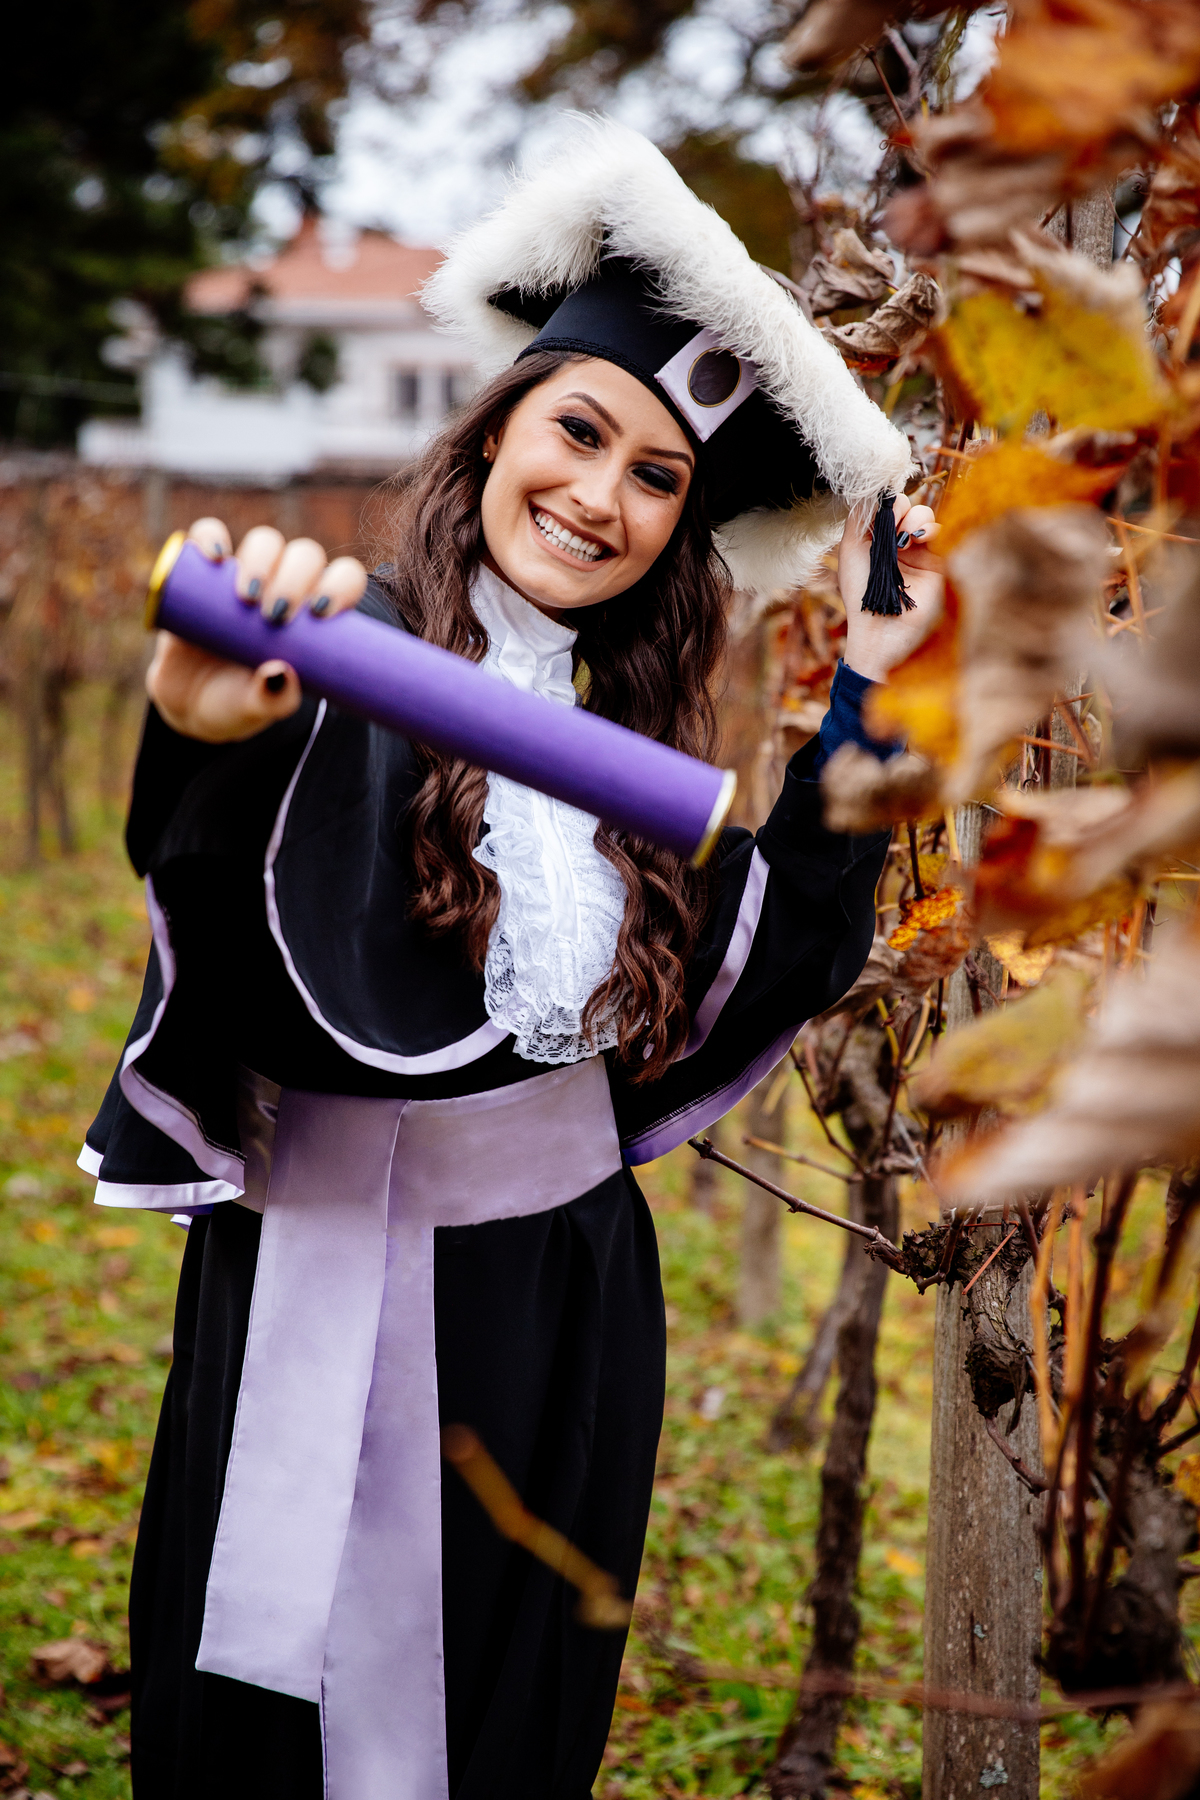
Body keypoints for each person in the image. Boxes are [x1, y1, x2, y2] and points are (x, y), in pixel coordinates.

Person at [81, 117, 942, 1800]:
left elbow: (786, 944)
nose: (601, 498)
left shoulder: (628, 742)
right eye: (579, 430)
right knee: (281, 1703)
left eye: (657, 478)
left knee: (510, 1702)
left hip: (563, 1299)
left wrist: (877, 693)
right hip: (327, 1275)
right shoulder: (355, 650)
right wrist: (201, 743)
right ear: (494, 431)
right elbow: (254, 952)